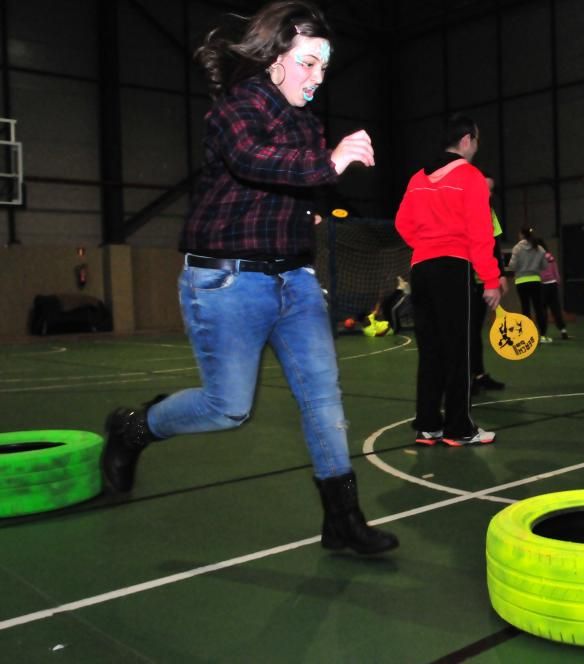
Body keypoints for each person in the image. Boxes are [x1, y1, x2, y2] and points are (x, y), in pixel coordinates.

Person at [100, 1, 398, 555]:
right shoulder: (236, 108)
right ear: (275, 57)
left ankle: (343, 519)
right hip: (228, 282)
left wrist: (311, 201)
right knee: (227, 407)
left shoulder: (306, 122)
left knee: (325, 404)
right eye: (308, 63)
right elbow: (251, 159)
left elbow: (290, 182)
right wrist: (328, 164)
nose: (318, 78)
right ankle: (135, 427)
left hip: (297, 282)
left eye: (325, 67)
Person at [395, 114, 501, 446]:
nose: (477, 147)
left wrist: (426, 245)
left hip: (421, 269)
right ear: (467, 140)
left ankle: (428, 425)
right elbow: (481, 233)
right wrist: (491, 279)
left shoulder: (417, 178)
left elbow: (402, 223)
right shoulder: (471, 177)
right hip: (452, 268)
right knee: (458, 351)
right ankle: (459, 428)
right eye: (477, 140)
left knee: (430, 350)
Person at [469, 176, 507, 394]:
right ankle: (468, 378)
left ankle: (479, 375)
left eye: (492, 190)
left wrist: (500, 275)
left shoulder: (489, 211)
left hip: (481, 282)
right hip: (461, 282)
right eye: (486, 188)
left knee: (474, 331)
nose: (489, 193)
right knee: (466, 333)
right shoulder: (462, 207)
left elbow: (494, 244)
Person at [506, 226, 551, 343]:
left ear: (521, 235)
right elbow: (545, 266)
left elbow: (512, 266)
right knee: (539, 309)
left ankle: (527, 336)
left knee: (525, 309)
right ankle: (543, 336)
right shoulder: (539, 248)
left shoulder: (517, 248)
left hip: (521, 282)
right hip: (535, 281)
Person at [537, 239, 569, 340]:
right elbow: (555, 269)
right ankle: (563, 330)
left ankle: (543, 333)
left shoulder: (536, 257)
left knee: (543, 310)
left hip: (542, 286)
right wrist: (557, 281)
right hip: (553, 284)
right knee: (556, 309)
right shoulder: (550, 256)